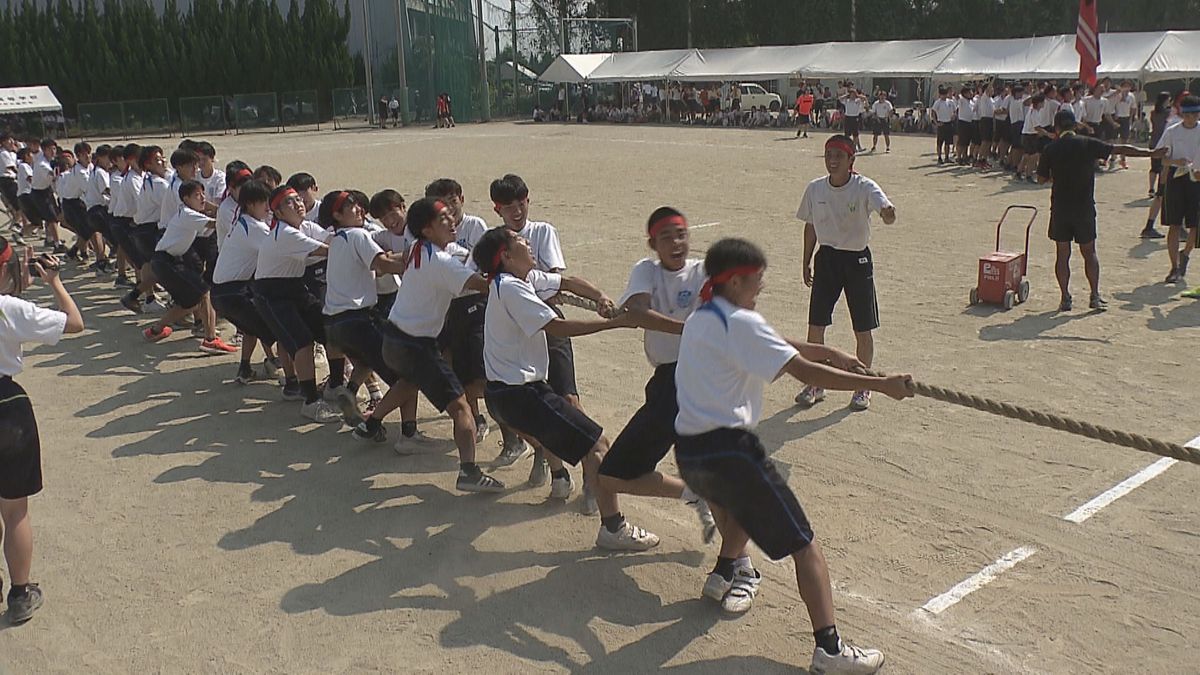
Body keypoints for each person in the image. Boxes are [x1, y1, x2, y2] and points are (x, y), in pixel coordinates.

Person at [673, 236, 913, 672]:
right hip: (732, 454)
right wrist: (881, 385)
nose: (762, 286)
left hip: (690, 452)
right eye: (757, 281)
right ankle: (830, 650)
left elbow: (778, 344)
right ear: (737, 280)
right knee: (805, 545)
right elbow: (800, 371)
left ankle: (726, 570)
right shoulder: (741, 324)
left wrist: (831, 352)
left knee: (744, 509)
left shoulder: (703, 315)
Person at [473, 226, 660, 550]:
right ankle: (613, 528)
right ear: (505, 256)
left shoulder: (519, 281)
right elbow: (557, 327)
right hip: (521, 394)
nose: (529, 243)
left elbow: (566, 282)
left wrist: (600, 298)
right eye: (520, 242)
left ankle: (567, 483)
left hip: (506, 395)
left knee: (571, 438)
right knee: (598, 444)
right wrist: (616, 322)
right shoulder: (512, 289)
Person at [596, 207, 718, 548]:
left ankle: (738, 565)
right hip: (667, 382)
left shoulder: (705, 270)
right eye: (666, 237)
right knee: (613, 474)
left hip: (695, 377)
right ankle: (697, 495)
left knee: (612, 474)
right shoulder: (646, 270)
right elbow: (637, 311)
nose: (676, 243)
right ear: (653, 243)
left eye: (681, 235)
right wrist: (688, 327)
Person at [372, 197, 503, 492]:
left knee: (411, 381)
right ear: (427, 229)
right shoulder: (441, 261)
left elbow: (457, 260)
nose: (451, 220)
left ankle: (370, 425)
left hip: (393, 338)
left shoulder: (419, 248)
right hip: (415, 345)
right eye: (443, 218)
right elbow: (481, 286)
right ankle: (469, 472)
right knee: (460, 408)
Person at [0, 237, 84, 624]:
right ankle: (20, 593)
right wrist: (54, 283)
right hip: (7, 406)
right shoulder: (11, 309)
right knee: (15, 511)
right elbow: (75, 323)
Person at [795, 135, 897, 412]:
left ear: (851, 160)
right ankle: (815, 383)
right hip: (826, 260)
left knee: (862, 329)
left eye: (839, 155)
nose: (832, 160)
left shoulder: (865, 187)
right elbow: (810, 226)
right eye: (828, 154)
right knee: (816, 325)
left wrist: (888, 213)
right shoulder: (815, 189)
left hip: (857, 261)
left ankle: (862, 385)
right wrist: (806, 261)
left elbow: (885, 209)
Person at [1037, 109, 1165, 310]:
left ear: (1057, 127)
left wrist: (1057, 177)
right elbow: (1120, 149)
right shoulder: (1088, 143)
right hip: (1084, 207)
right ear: (1076, 125)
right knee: (1090, 253)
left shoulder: (1050, 149)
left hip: (1061, 207)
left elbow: (1041, 179)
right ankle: (1094, 295)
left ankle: (1065, 297)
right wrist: (1149, 153)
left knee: (1062, 254)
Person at [143, 180, 238, 354]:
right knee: (205, 292)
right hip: (167, 262)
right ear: (186, 199)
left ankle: (155, 330)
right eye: (197, 195)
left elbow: (208, 230)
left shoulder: (188, 213)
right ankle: (210, 339)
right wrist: (231, 215)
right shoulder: (188, 214)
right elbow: (214, 224)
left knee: (190, 303)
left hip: (166, 262)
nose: (202, 198)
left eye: (203, 194)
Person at [1155, 95, 1200, 284]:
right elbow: (1161, 157)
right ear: (1182, 114)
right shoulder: (1172, 131)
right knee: (1174, 224)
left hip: (1197, 179)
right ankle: (1174, 266)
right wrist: (1175, 161)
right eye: (1188, 115)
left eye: (1195, 115)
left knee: (1195, 225)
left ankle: (1186, 253)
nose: (1192, 119)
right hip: (1177, 178)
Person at [1142, 92, 1173, 239]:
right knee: (1163, 194)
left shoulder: (1155, 113)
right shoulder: (1170, 117)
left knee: (1160, 191)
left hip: (1155, 145)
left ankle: (1149, 226)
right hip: (1164, 152)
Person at [931, 86, 957, 165]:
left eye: (945, 94)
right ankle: (939, 157)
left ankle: (946, 157)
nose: (944, 96)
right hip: (941, 123)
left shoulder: (950, 102)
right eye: (942, 94)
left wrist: (954, 116)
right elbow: (933, 113)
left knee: (948, 142)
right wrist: (936, 123)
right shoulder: (937, 102)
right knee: (940, 142)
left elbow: (955, 110)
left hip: (948, 123)